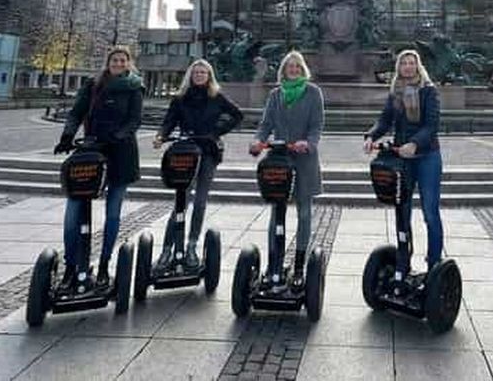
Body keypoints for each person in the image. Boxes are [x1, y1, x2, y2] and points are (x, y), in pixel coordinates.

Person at [54, 46, 144, 288]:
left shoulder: (135, 87)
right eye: (114, 59)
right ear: (108, 62)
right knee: (73, 213)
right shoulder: (93, 85)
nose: (118, 63)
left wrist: (119, 135)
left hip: (120, 153)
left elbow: (135, 119)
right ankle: (71, 265)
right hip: (91, 151)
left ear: (128, 63)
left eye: (122, 60)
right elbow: (76, 113)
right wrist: (67, 136)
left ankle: (104, 264)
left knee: (113, 213)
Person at [153, 59, 243, 269]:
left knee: (200, 202)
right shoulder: (180, 98)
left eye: (204, 73)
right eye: (197, 73)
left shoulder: (216, 97)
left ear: (209, 76)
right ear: (191, 76)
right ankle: (168, 249)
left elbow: (237, 115)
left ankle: (192, 245)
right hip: (184, 152)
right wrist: (161, 136)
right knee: (180, 202)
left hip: (207, 152)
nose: (200, 75)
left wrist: (216, 132)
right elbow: (169, 121)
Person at [365, 49, 443, 276]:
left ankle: (435, 265)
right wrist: (371, 136)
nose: (408, 67)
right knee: (402, 211)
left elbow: (431, 125)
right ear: (399, 68)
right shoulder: (396, 93)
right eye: (404, 63)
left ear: (418, 67)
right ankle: (403, 261)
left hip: (427, 157)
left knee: (430, 212)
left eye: (412, 63)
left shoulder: (429, 92)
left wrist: (415, 144)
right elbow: (384, 120)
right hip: (402, 160)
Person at [250, 50, 324, 287]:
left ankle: (300, 265)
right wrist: (257, 142)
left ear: (303, 70)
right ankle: (274, 262)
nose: (293, 70)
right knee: (276, 214)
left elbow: (316, 126)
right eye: (289, 67)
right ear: (283, 70)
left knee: (304, 213)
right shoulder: (275, 94)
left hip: (304, 160)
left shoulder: (313, 93)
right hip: (279, 160)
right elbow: (265, 125)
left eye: (297, 66)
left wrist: (308, 143)